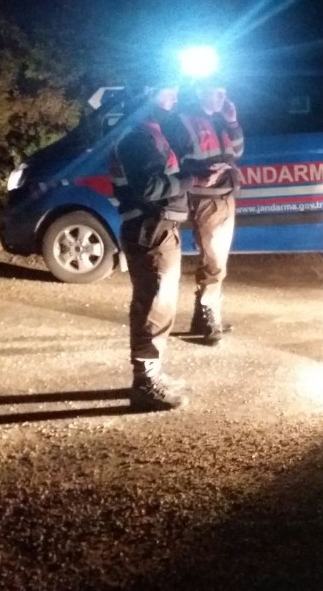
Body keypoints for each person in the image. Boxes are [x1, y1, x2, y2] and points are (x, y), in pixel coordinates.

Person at [110, 85, 221, 411]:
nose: (174, 95)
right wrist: (194, 181)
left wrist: (191, 174)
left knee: (158, 304)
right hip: (150, 228)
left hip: (156, 227)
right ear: (146, 94)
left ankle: (151, 374)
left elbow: (161, 177)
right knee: (154, 306)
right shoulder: (138, 137)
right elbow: (149, 187)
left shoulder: (149, 133)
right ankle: (145, 384)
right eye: (167, 90)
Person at [165, 84, 244, 345]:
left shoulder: (220, 120)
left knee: (216, 258)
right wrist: (203, 171)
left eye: (224, 92)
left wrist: (232, 122)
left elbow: (238, 151)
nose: (222, 98)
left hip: (224, 195)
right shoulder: (183, 121)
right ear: (200, 93)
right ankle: (210, 318)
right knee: (214, 259)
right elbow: (173, 160)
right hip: (206, 198)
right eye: (216, 92)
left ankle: (203, 317)